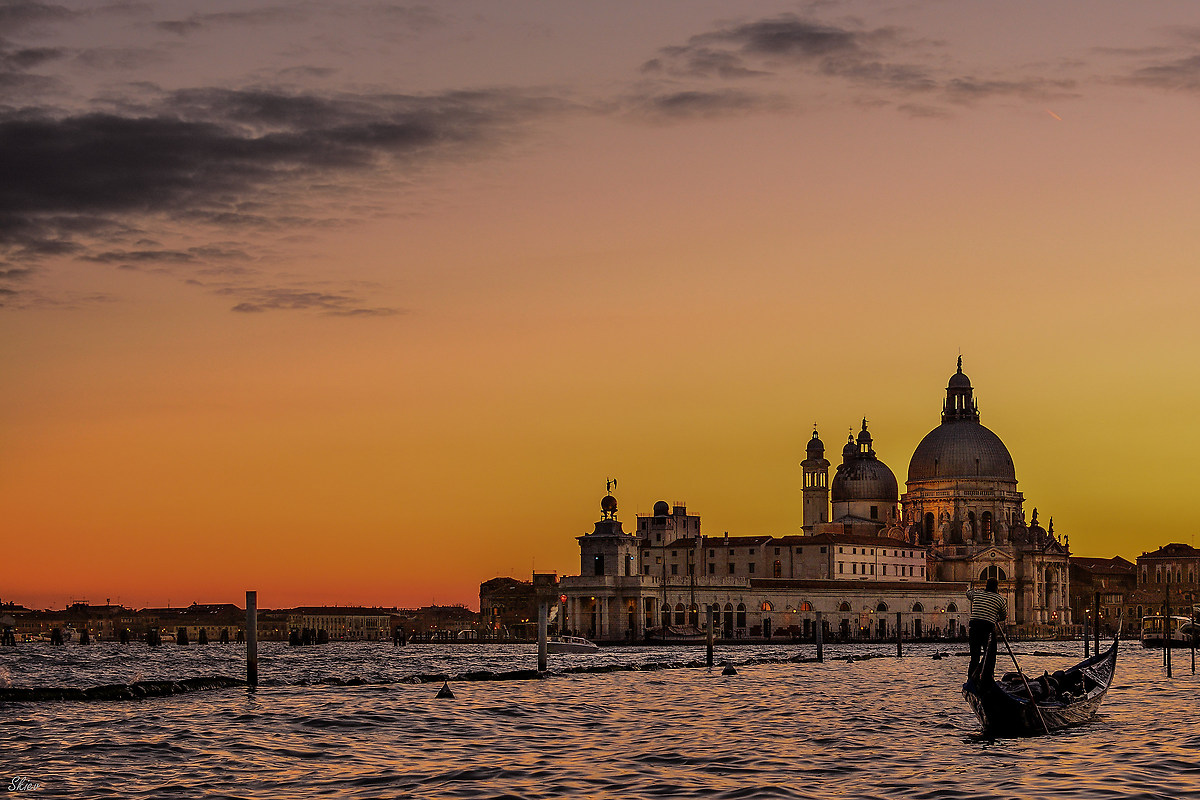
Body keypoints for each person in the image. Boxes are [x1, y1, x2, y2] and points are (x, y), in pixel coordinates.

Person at [965, 577, 1007, 684]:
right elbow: (1003, 616)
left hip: (974, 628)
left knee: (974, 657)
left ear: (986, 586)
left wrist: (976, 589)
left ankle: (971, 680)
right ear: (997, 587)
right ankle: (988, 679)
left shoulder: (977, 594)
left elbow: (968, 593)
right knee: (990, 656)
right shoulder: (1000, 599)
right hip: (988, 628)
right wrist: (996, 618)